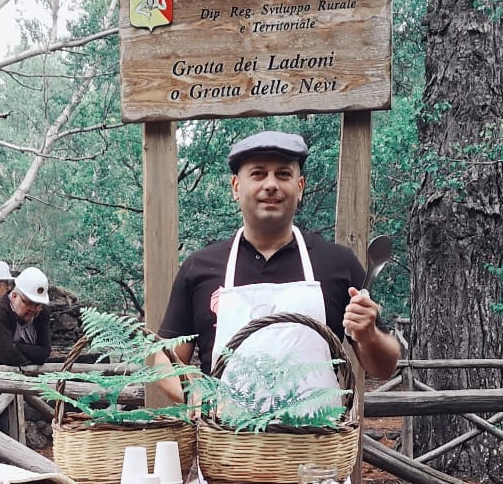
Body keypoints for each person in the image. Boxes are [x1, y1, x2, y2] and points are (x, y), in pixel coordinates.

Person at [156, 130, 401, 402]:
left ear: (300, 187)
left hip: (318, 441)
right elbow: (166, 358)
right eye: (258, 174)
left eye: (283, 174)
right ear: (236, 187)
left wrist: (369, 335)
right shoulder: (199, 267)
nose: (271, 184)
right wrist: (192, 394)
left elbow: (384, 366)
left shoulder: (338, 263)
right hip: (223, 441)